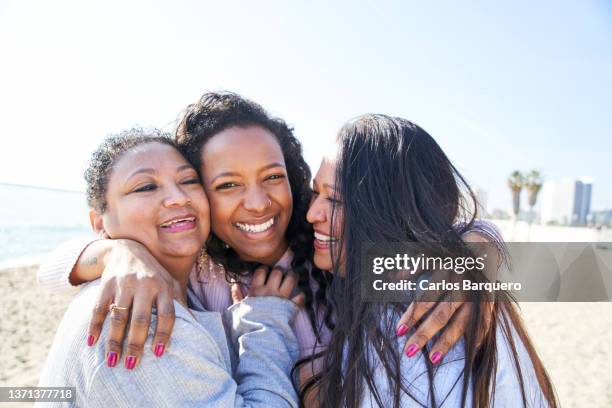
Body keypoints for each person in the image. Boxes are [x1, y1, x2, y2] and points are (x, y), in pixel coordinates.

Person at [37, 93, 486, 379]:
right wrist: (118, 253)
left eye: (272, 177)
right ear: (200, 195)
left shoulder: (333, 246)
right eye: (227, 185)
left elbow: (505, 246)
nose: (257, 204)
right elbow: (49, 271)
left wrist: (474, 258)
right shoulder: (197, 271)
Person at [302, 114, 558, 407]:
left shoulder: (416, 320)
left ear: (387, 211)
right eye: (315, 193)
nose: (312, 213)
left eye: (334, 200)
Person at [37, 129, 301, 407]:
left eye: (189, 180)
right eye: (146, 187)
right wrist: (266, 321)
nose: (178, 197)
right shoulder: (139, 319)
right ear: (100, 223)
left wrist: (114, 252)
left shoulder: (187, 288)